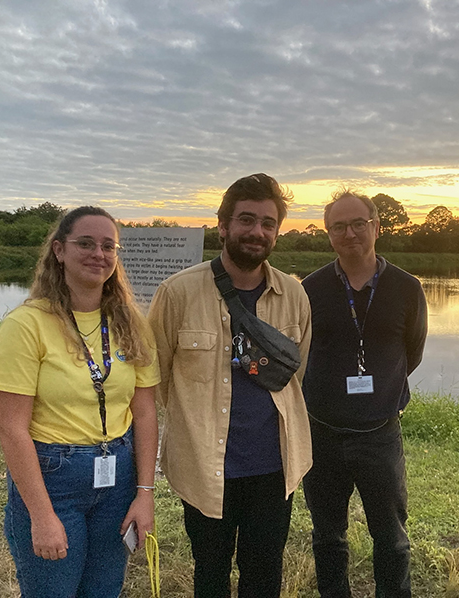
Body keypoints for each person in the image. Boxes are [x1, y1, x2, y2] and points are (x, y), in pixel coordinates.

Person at [0, 206, 160, 598]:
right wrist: (41, 515)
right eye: (86, 243)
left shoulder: (131, 324)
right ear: (59, 250)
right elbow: (11, 428)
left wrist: (144, 493)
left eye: (108, 246)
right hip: (53, 478)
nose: (99, 253)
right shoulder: (27, 324)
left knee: (103, 590)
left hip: (118, 476)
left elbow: (145, 412)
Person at [148, 173, 312, 597]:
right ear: (223, 226)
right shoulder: (177, 292)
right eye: (246, 219)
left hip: (275, 467)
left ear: (277, 231)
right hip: (205, 465)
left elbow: (298, 375)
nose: (257, 231)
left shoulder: (294, 295)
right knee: (211, 571)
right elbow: (156, 378)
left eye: (268, 223)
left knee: (264, 573)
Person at [302, 189, 428, 598]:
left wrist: (379, 393)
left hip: (379, 434)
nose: (350, 233)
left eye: (359, 223)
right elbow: (302, 352)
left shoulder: (407, 288)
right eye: (339, 226)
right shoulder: (310, 289)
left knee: (390, 537)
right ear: (329, 234)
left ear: (376, 227)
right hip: (321, 433)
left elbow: (412, 352)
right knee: (327, 537)